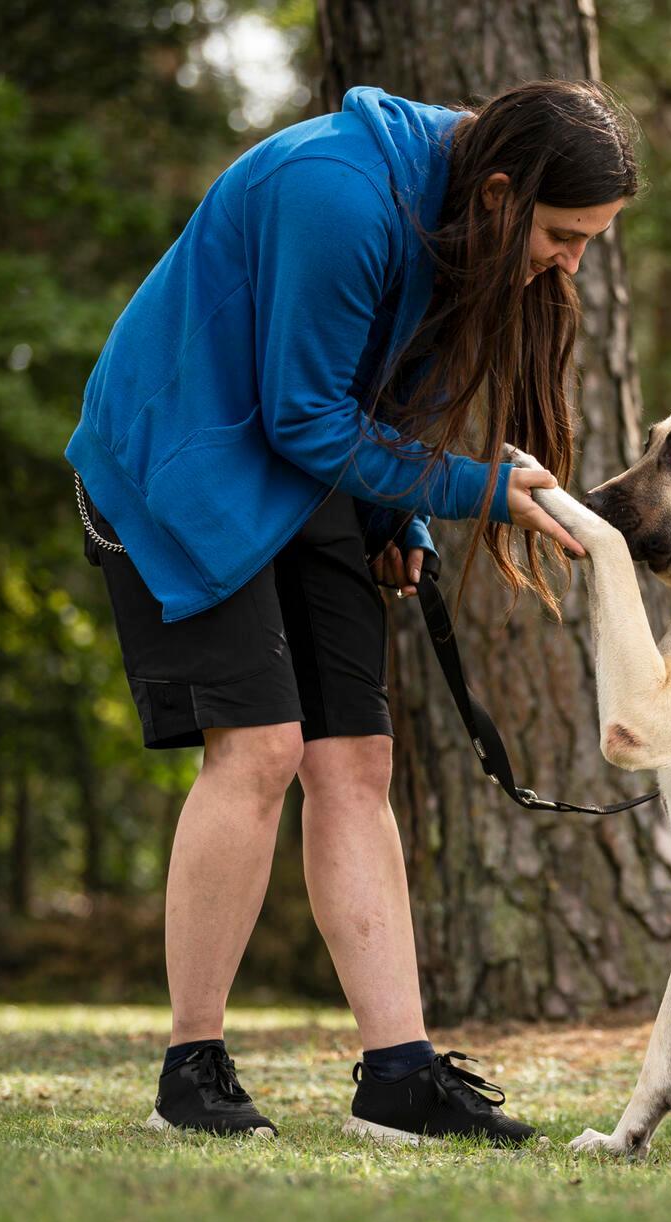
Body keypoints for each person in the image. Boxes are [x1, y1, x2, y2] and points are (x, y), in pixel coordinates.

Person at [64, 79, 637, 1144]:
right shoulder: (335, 191)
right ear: (504, 191)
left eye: (592, 240)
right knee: (262, 746)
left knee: (355, 762)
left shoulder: (459, 215)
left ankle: (398, 1078)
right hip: (183, 455)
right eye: (563, 235)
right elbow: (299, 415)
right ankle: (191, 1070)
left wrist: (397, 518)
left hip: (308, 463)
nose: (572, 262)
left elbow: (374, 394)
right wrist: (466, 492)